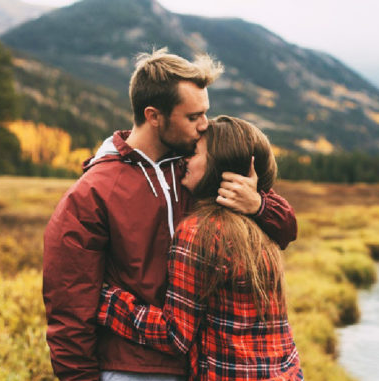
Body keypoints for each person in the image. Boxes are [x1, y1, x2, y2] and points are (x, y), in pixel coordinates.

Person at [43, 49, 297, 381]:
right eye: (193, 117)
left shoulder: (199, 171)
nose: (205, 125)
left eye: (206, 112)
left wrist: (260, 204)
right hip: (131, 369)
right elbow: (69, 308)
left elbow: (286, 229)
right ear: (154, 116)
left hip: (204, 366)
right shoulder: (92, 192)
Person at [98, 116, 302, 380]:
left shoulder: (199, 232)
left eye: (194, 153)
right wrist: (259, 204)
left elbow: (174, 335)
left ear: (219, 165)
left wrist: (106, 300)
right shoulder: (260, 225)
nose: (184, 160)